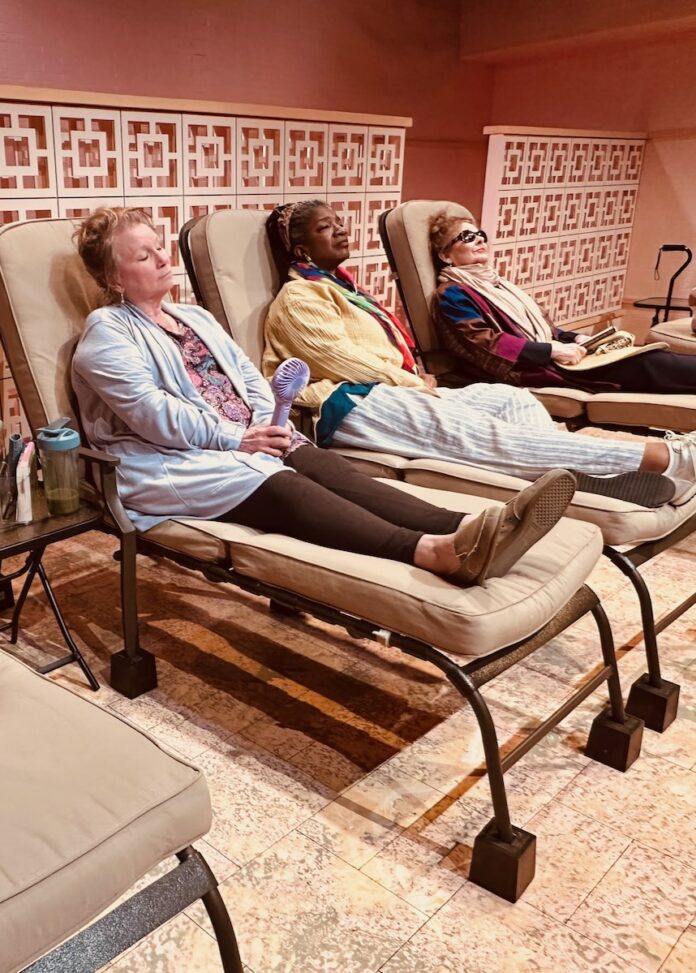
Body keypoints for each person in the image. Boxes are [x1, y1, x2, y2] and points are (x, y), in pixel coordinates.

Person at [70, 206, 575, 589]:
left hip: (245, 438)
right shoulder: (106, 336)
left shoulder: (193, 317)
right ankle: (432, 552)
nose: (163, 258)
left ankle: (471, 526)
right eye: (144, 255)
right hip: (166, 462)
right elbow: (155, 417)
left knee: (331, 470)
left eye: (160, 246)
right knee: (282, 482)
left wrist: (267, 423)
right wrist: (237, 438)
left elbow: (248, 377)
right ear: (113, 278)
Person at [263, 199, 696, 507]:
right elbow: (344, 362)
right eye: (325, 227)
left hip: (400, 389)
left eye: (338, 221)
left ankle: (570, 477)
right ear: (301, 250)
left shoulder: (345, 289)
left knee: (510, 399)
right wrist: (417, 379)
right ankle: (665, 458)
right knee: (486, 436)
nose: (340, 229)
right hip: (346, 401)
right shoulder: (299, 297)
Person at [429, 210, 696, 394]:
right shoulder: (453, 294)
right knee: (648, 365)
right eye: (466, 237)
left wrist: (574, 338)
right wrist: (550, 351)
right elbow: (484, 342)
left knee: (652, 356)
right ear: (446, 254)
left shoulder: (498, 284)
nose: (478, 240)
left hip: (556, 356)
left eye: (480, 235)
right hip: (529, 369)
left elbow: (548, 331)